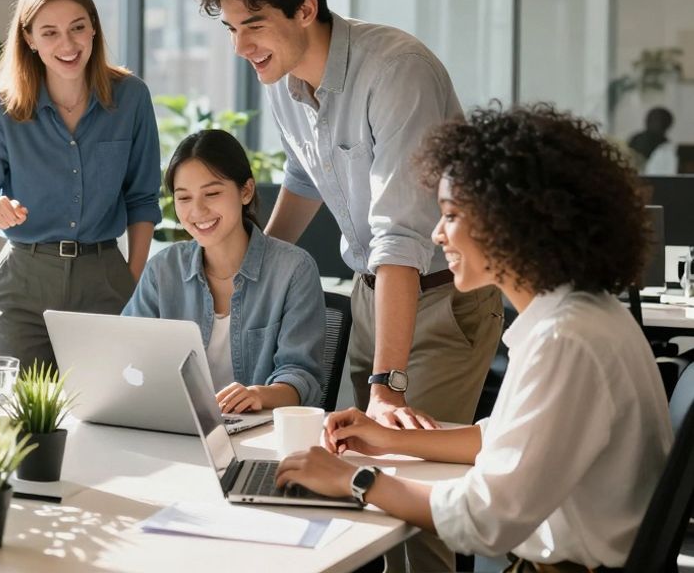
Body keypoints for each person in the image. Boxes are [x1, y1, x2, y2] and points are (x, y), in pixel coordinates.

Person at [276, 104, 672, 572]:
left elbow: (486, 520)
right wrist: (387, 439)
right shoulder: (579, 314)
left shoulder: (566, 339)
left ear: (510, 220)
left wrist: (356, 480)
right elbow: (505, 439)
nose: (437, 234)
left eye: (450, 215)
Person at [196, 0, 503, 430]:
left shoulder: (397, 72)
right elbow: (305, 175)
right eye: (231, 29)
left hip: (442, 298)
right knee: (363, 457)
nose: (240, 46)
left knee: (409, 462)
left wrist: (387, 385)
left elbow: (399, 238)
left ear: (305, 9)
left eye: (253, 25)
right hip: (371, 296)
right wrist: (257, 265)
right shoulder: (282, 73)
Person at [0, 0, 162, 370]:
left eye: (77, 28)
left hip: (105, 279)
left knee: (107, 412)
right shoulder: (3, 109)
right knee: (22, 419)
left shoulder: (131, 98)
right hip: (24, 284)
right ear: (29, 38)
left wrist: (132, 281)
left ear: (94, 29)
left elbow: (142, 198)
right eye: (49, 32)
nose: (67, 44)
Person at [123, 129, 325, 412]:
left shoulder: (294, 270)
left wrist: (259, 395)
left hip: (257, 433)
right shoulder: (163, 269)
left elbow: (301, 377)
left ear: (246, 191)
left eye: (212, 193)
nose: (197, 211)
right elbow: (125, 353)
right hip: (176, 427)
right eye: (183, 198)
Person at [629, 106, 677, 175]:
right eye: (650, 119)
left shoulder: (666, 149)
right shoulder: (636, 138)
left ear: (666, 124)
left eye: (655, 119)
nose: (649, 121)